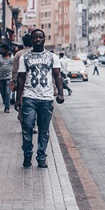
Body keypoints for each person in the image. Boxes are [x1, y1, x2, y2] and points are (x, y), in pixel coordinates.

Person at [15, 29, 65, 168]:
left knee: (44, 129)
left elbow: (57, 76)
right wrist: (18, 98)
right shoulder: (25, 57)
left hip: (46, 98)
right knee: (28, 127)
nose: (38, 40)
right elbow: (21, 78)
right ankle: (27, 155)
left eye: (40, 37)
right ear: (31, 40)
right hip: (29, 97)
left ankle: (41, 157)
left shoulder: (52, 57)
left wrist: (60, 93)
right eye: (35, 38)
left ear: (44, 39)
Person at [0, 44, 13, 113]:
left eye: (3, 49)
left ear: (7, 50)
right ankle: (5, 102)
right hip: (1, 77)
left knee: (7, 92)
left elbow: (14, 67)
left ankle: (7, 107)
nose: (2, 51)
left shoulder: (12, 58)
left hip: (9, 77)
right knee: (2, 92)